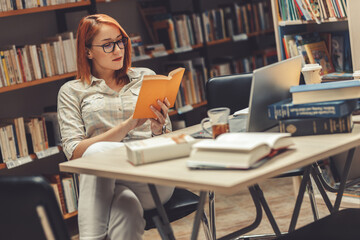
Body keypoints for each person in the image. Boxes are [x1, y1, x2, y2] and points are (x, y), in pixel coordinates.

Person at [57, 14, 174, 240]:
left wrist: (158, 130)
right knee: (125, 206)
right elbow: (74, 153)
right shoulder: (71, 92)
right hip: (105, 181)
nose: (118, 50)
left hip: (152, 178)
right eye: (108, 45)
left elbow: (166, 141)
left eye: (121, 41)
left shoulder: (146, 77)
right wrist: (128, 125)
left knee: (96, 156)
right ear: (87, 51)